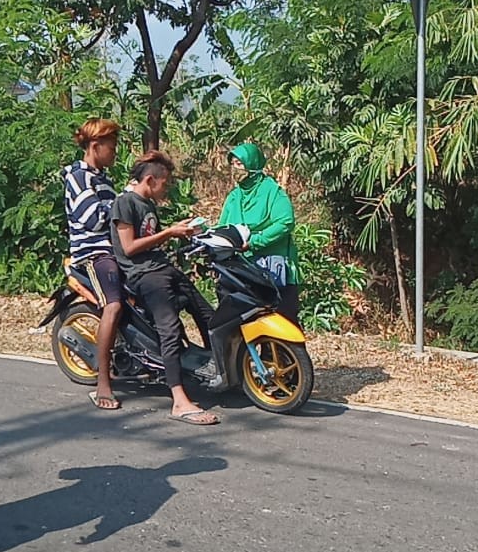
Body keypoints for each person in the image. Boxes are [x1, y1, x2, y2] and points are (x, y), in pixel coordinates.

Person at [110, 150, 220, 425]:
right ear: (150, 180)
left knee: (208, 314)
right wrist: (168, 232)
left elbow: (152, 240)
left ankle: (217, 370)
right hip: (143, 275)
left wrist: (179, 232)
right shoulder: (125, 203)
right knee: (169, 330)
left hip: (162, 268)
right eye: (165, 183)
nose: (167, 188)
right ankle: (179, 400)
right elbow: (129, 247)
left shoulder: (147, 203)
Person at [63, 118, 124, 410]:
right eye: (111, 147)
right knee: (113, 305)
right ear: (95, 146)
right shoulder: (78, 177)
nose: (115, 153)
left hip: (116, 252)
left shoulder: (103, 178)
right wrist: (124, 201)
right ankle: (103, 382)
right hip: (93, 255)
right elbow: (94, 219)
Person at [217, 143, 302, 326]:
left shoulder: (272, 192)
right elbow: (223, 226)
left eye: (240, 164)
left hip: (274, 267)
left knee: (281, 323)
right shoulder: (234, 197)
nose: (235, 169)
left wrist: (255, 241)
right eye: (233, 164)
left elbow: (285, 222)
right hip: (242, 268)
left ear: (252, 165)